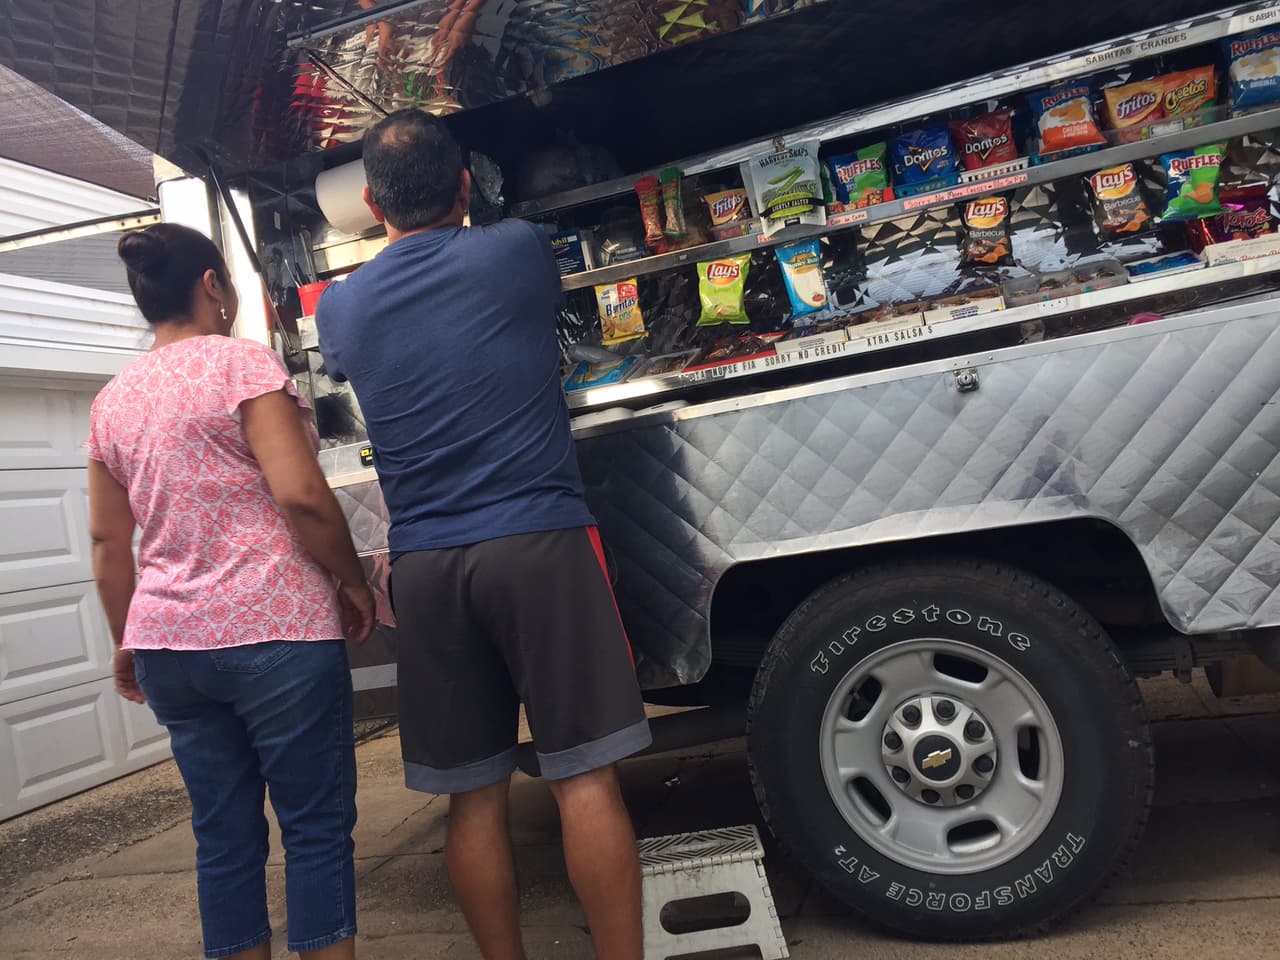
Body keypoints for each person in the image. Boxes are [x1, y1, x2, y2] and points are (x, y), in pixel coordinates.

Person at [316, 109, 651, 960]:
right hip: (539, 542)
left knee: (472, 798)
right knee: (584, 778)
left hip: (427, 566)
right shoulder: (512, 253)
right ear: (466, 186)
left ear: (366, 202)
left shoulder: (343, 309)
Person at [87, 223, 376, 960]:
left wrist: (129, 637)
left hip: (169, 647)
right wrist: (352, 580)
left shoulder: (112, 401)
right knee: (313, 830)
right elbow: (303, 496)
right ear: (212, 285)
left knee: (224, 839)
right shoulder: (240, 366)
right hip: (276, 630)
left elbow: (106, 544)